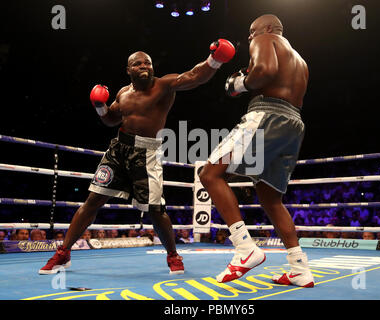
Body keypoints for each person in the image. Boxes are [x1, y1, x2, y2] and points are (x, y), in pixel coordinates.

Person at [39, 39, 235, 275]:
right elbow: (111, 120)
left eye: (148, 63)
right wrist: (99, 106)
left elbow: (194, 76)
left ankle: (173, 255)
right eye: (138, 63)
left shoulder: (164, 86)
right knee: (93, 201)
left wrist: (215, 59)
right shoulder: (123, 93)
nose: (144, 66)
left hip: (147, 153)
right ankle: (64, 253)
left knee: (155, 210)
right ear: (129, 70)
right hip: (118, 151)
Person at [199, 14, 314, 287]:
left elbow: (264, 71)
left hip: (267, 116)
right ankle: (300, 268)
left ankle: (245, 249)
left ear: (269, 28)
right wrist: (248, 79)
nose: (251, 38)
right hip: (294, 123)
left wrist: (238, 83)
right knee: (271, 198)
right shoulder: (301, 62)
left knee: (210, 174)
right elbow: (271, 77)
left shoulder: (267, 38)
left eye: (252, 32)